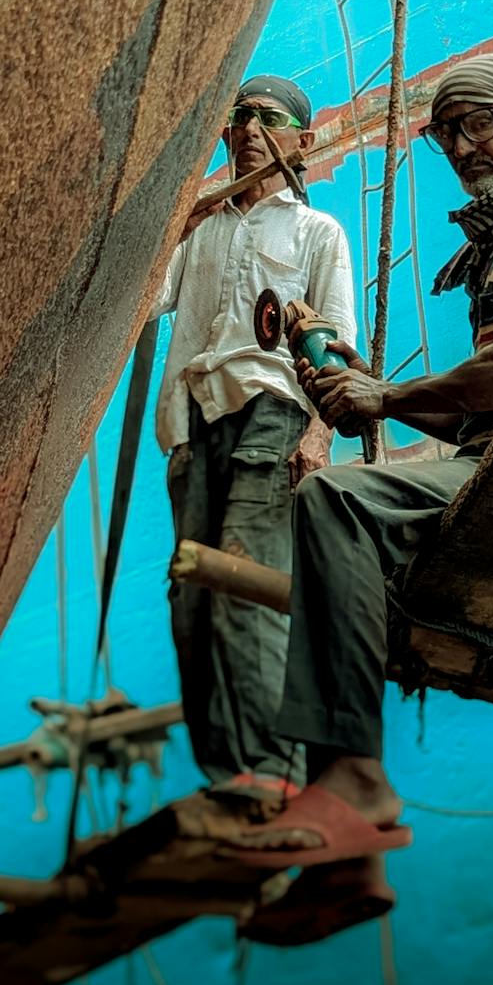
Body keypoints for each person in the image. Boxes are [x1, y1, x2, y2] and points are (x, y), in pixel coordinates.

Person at [227, 52, 493, 895]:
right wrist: (375, 394)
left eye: (480, 122)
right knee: (343, 552)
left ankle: (356, 780)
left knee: (334, 498)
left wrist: (386, 392)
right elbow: (475, 408)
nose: (465, 145)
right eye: (448, 133)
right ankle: (351, 857)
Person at [150, 74, 356, 804]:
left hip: (271, 421)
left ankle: (273, 770)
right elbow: (146, 301)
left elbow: (338, 350)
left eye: (267, 118)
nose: (247, 129)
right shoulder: (199, 230)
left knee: (243, 585)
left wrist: (320, 436)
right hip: (192, 424)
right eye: (237, 117)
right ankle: (228, 774)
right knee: (191, 602)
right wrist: (173, 220)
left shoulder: (316, 232)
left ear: (301, 139)